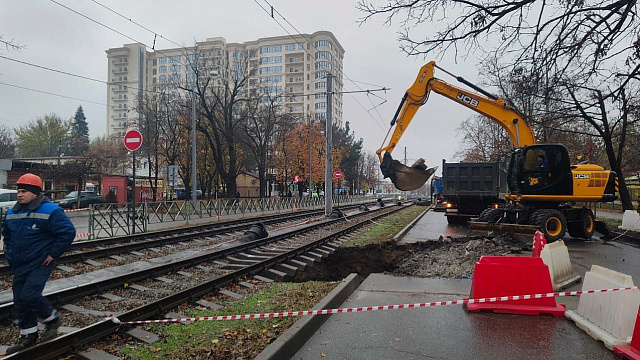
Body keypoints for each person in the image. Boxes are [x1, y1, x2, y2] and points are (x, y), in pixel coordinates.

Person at [3, 173, 76, 354]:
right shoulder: (13, 212)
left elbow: (67, 232)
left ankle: (51, 320)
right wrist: (9, 253)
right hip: (20, 264)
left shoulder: (51, 211)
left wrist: (53, 253)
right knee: (20, 300)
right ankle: (28, 335)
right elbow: (8, 235)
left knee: (30, 295)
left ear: (35, 193)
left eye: (24, 191)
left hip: (40, 262)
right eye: (19, 191)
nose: (20, 195)